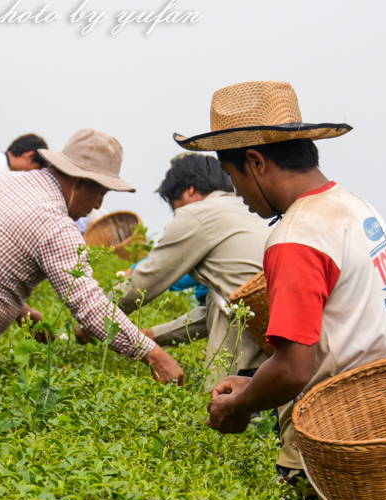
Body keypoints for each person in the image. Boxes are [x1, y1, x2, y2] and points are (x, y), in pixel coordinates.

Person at [183, 81, 386, 500]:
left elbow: (295, 368)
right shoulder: (354, 208)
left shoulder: (297, 235)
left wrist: (239, 407)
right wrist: (250, 378)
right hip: (377, 417)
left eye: (234, 177)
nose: (237, 193)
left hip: (326, 437)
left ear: (256, 162)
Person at [0, 128, 184, 385]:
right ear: (78, 182)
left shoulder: (3, 183)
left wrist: (22, 311)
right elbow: (92, 308)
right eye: (99, 191)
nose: (99, 204)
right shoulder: (55, 224)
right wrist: (155, 355)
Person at [110, 153, 272, 389]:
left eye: (175, 208)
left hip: (244, 369)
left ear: (188, 191)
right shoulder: (249, 211)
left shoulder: (198, 214)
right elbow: (222, 308)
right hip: (279, 360)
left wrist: (91, 318)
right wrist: (154, 335)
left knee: (221, 419)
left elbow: (141, 285)